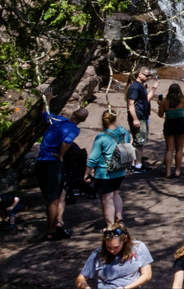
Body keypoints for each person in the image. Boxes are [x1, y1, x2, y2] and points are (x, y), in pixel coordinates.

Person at [35, 103, 87, 240]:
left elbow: (45, 112)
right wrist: (60, 156)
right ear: (84, 120)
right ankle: (51, 231)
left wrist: (49, 99)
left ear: (73, 114)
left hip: (40, 160)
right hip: (53, 162)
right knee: (54, 198)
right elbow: (67, 141)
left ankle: (55, 226)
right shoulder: (74, 129)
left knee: (50, 196)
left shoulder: (58, 120)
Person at [86, 110, 131, 229]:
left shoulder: (101, 137)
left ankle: (111, 226)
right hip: (120, 169)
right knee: (115, 193)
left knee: (106, 198)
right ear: (115, 119)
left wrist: (86, 172)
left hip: (104, 172)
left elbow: (93, 158)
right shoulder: (124, 132)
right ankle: (119, 219)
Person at [77, 223, 153, 289]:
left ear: (125, 239)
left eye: (116, 247)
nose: (112, 251)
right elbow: (80, 279)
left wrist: (125, 288)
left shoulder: (138, 247)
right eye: (108, 247)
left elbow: (147, 275)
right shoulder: (98, 254)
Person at [125, 66, 158, 174]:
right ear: (140, 74)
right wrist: (135, 119)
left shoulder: (140, 86)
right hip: (138, 117)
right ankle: (138, 166)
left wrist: (153, 88)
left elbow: (146, 99)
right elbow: (130, 104)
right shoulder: (135, 87)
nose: (149, 77)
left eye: (150, 75)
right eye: (147, 75)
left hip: (142, 116)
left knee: (137, 141)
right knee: (139, 142)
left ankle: (135, 164)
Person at [157, 84, 184, 178]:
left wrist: (160, 105)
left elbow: (160, 115)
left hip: (169, 124)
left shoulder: (164, 101)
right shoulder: (183, 100)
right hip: (180, 124)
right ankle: (177, 171)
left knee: (169, 149)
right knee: (179, 149)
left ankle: (168, 172)